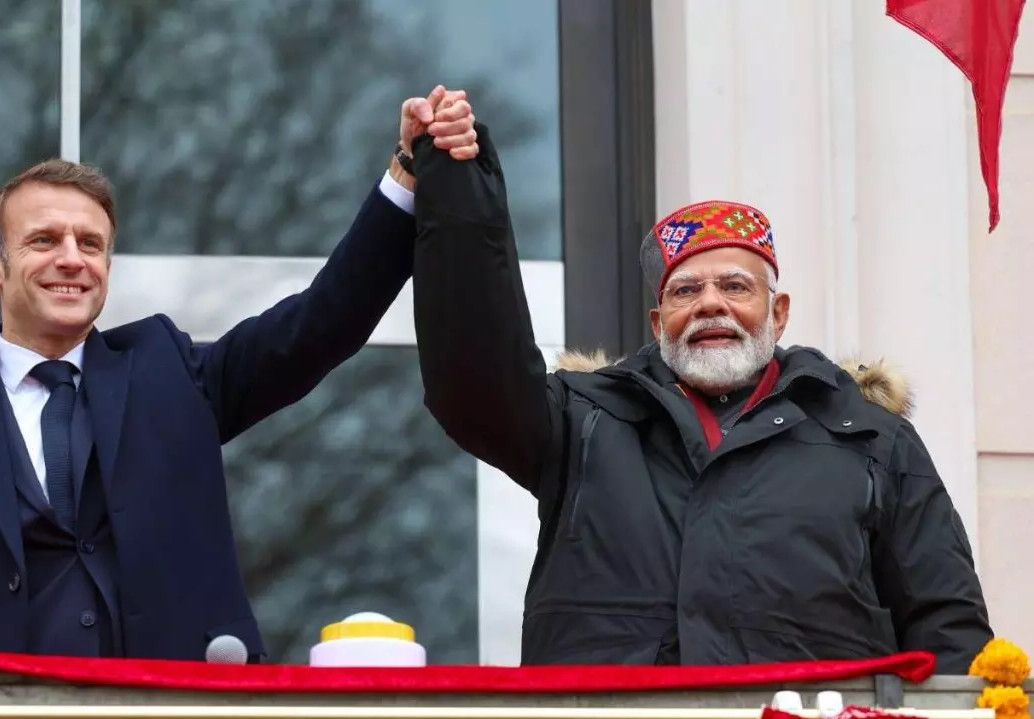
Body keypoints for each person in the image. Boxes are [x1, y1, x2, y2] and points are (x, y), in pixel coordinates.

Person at [0, 86, 480, 661]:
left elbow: (320, 323)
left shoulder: (168, 373)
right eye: (44, 240)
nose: (72, 259)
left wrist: (406, 175)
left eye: (91, 244)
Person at [407, 120, 992, 671]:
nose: (711, 303)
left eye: (735, 286)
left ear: (778, 314)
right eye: (686, 291)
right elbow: (474, 379)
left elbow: (947, 625)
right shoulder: (579, 421)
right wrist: (459, 188)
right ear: (658, 322)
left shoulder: (872, 440)